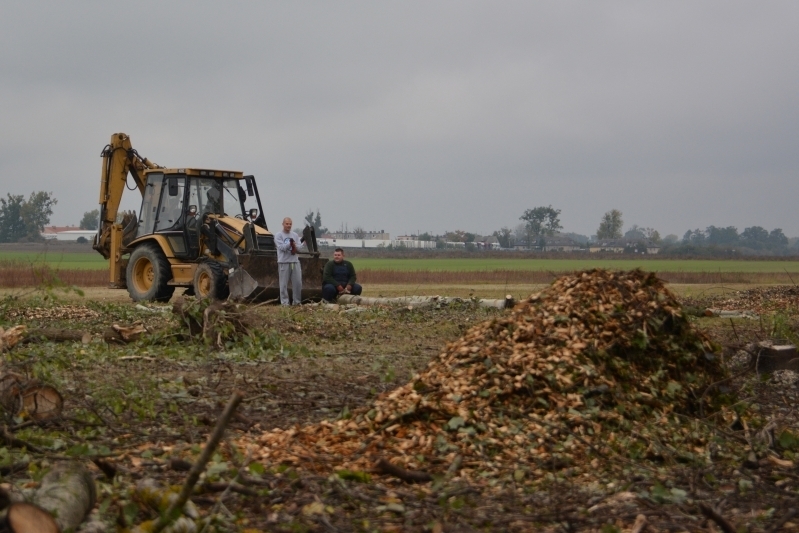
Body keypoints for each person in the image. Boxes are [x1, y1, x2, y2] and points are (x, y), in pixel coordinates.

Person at [275, 217, 305, 305]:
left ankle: (297, 302)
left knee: (297, 283)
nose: (289, 225)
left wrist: (298, 245)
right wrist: (290, 244)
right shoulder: (278, 235)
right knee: (283, 284)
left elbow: (299, 247)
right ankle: (285, 303)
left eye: (290, 224)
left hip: (295, 261)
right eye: (287, 224)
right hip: (283, 262)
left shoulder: (295, 235)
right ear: (283, 224)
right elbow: (281, 247)